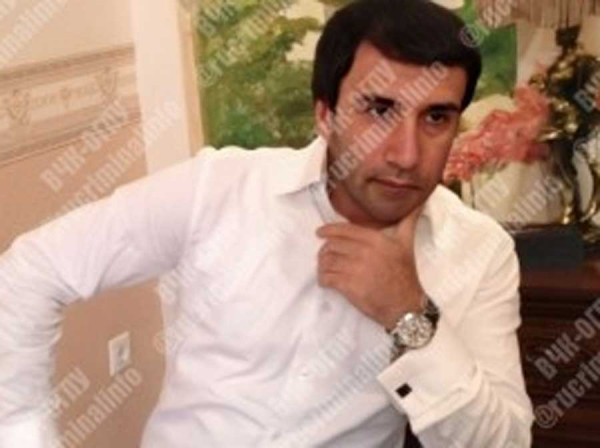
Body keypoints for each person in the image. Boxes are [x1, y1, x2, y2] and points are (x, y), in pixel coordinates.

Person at [0, 0, 534, 446]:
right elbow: (29, 271)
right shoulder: (216, 189)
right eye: (378, 110)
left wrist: (409, 315)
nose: (406, 154)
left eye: (436, 117)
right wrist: (24, 435)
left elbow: (506, 442)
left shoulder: (478, 252)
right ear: (325, 114)